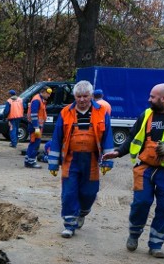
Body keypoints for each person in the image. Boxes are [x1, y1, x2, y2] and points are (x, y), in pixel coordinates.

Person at [102, 83, 164, 258]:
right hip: (145, 168)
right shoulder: (147, 114)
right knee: (140, 203)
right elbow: (133, 137)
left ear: (163, 98)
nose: (149, 100)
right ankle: (134, 235)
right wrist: (118, 152)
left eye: (152, 97)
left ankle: (156, 244)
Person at [47, 80, 114, 238]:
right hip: (71, 160)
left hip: (91, 159)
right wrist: (53, 164)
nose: (82, 99)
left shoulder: (102, 112)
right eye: (79, 96)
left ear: (91, 95)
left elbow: (107, 137)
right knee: (69, 193)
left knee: (89, 193)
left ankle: (83, 212)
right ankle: (69, 224)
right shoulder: (65, 112)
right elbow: (57, 137)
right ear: (74, 96)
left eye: (85, 96)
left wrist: (107, 160)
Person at [25, 86, 52, 168]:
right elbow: (34, 114)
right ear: (43, 92)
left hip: (36, 126)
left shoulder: (39, 99)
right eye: (48, 94)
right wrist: (36, 127)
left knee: (33, 143)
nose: (49, 96)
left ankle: (28, 160)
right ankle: (31, 161)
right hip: (35, 127)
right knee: (35, 144)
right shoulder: (37, 100)